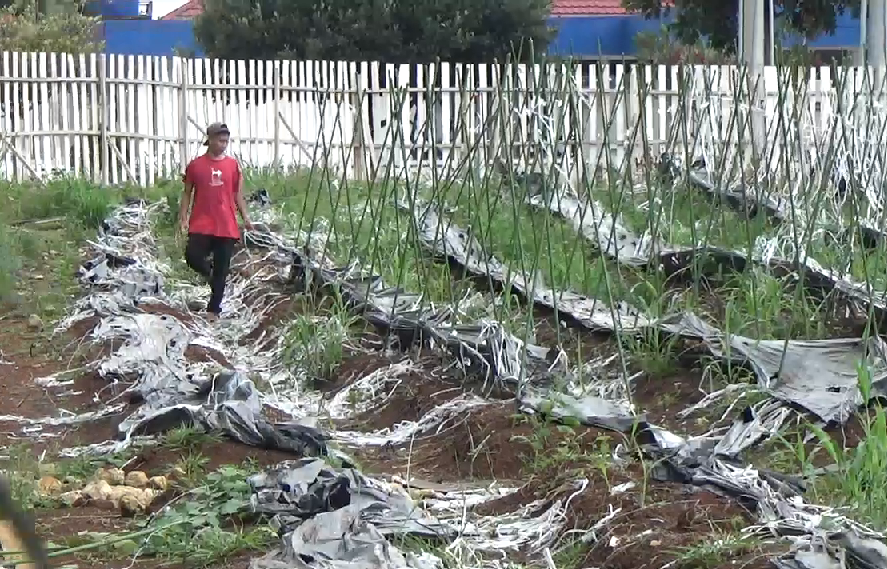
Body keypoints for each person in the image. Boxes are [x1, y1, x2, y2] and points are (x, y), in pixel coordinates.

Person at [178, 122, 254, 321]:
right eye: (220, 140)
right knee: (192, 256)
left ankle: (213, 310)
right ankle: (211, 276)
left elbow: (238, 194)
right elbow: (187, 193)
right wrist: (183, 217)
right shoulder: (195, 166)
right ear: (210, 140)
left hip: (226, 224)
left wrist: (246, 218)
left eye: (226, 141)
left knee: (223, 268)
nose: (223, 144)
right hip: (202, 222)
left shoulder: (233, 166)